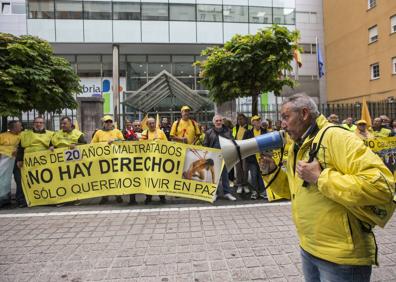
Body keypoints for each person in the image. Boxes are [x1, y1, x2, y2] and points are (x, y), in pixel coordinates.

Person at [259, 94, 394, 282]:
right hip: (309, 248)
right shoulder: (297, 146)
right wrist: (272, 171)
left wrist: (321, 177)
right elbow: (295, 190)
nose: (282, 124)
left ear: (304, 113)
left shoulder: (337, 137)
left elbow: (381, 187)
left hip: (341, 258)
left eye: (285, 117)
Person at [16, 117, 54, 207]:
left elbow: (54, 144)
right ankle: (24, 201)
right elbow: (21, 148)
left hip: (44, 161)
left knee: (44, 180)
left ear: (43, 124)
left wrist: (52, 147)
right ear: (33, 123)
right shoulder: (25, 134)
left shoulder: (50, 134)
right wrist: (19, 159)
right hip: (28, 162)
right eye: (37, 122)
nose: (39, 124)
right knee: (26, 181)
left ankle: (46, 199)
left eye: (41, 122)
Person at [50, 116, 87, 206]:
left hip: (73, 161)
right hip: (60, 162)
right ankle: (63, 199)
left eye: (65, 123)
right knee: (61, 180)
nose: (63, 125)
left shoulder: (78, 134)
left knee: (74, 180)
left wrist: (76, 145)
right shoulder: (57, 134)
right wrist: (51, 147)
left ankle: (76, 198)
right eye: (61, 124)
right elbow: (51, 144)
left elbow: (85, 145)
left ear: (70, 123)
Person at [91, 115, 124, 204]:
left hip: (115, 159)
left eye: (110, 121)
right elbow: (92, 145)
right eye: (106, 122)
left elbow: (123, 142)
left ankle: (118, 195)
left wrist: (115, 140)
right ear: (103, 123)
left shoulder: (117, 131)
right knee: (104, 178)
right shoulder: (98, 133)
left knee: (116, 177)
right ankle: (104, 196)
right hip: (103, 159)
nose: (108, 123)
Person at [203, 114, 236, 201]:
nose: (218, 122)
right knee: (214, 176)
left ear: (222, 121)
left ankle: (227, 193)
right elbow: (205, 145)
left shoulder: (228, 131)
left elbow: (232, 142)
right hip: (213, 158)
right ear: (214, 122)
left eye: (220, 120)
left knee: (225, 175)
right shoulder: (208, 132)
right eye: (216, 121)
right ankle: (214, 193)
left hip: (224, 156)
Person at [138, 117, 167, 205]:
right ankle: (148, 197)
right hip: (148, 161)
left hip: (159, 160)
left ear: (155, 123)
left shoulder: (161, 132)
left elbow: (167, 144)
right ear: (147, 125)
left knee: (160, 179)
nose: (152, 125)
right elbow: (140, 146)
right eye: (150, 123)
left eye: (153, 123)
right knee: (149, 179)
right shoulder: (144, 133)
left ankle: (162, 197)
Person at [243, 116, 267, 200]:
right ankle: (255, 192)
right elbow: (244, 144)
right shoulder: (248, 133)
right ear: (252, 122)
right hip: (252, 158)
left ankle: (263, 192)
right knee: (253, 175)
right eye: (256, 120)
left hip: (262, 158)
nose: (258, 122)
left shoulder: (264, 131)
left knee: (262, 175)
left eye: (259, 120)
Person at [0, 121, 22, 208]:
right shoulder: (2, 136)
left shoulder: (22, 135)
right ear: (13, 128)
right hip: (5, 161)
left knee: (19, 179)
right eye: (19, 126)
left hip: (17, 161)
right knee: (4, 180)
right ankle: (4, 199)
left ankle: (19, 199)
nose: (21, 128)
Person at [232, 113, 251, 194]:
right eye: (238, 119)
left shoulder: (249, 128)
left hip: (245, 151)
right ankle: (240, 185)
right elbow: (233, 138)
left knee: (245, 169)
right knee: (238, 168)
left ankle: (245, 184)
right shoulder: (235, 128)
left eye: (241, 119)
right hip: (236, 151)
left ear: (245, 119)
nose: (240, 120)